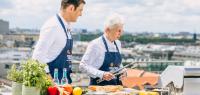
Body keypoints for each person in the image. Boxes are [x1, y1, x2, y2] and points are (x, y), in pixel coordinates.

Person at [32, 0, 86, 84]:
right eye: (80, 10)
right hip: (52, 86)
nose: (81, 14)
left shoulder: (66, 26)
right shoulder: (53, 26)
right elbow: (37, 57)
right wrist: (50, 81)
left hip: (63, 83)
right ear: (71, 8)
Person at [79, 14, 125, 85]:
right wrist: (102, 74)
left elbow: (117, 65)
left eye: (121, 30)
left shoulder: (118, 43)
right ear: (107, 30)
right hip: (98, 89)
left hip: (116, 88)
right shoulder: (95, 44)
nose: (120, 33)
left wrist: (123, 71)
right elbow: (83, 66)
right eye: (118, 31)